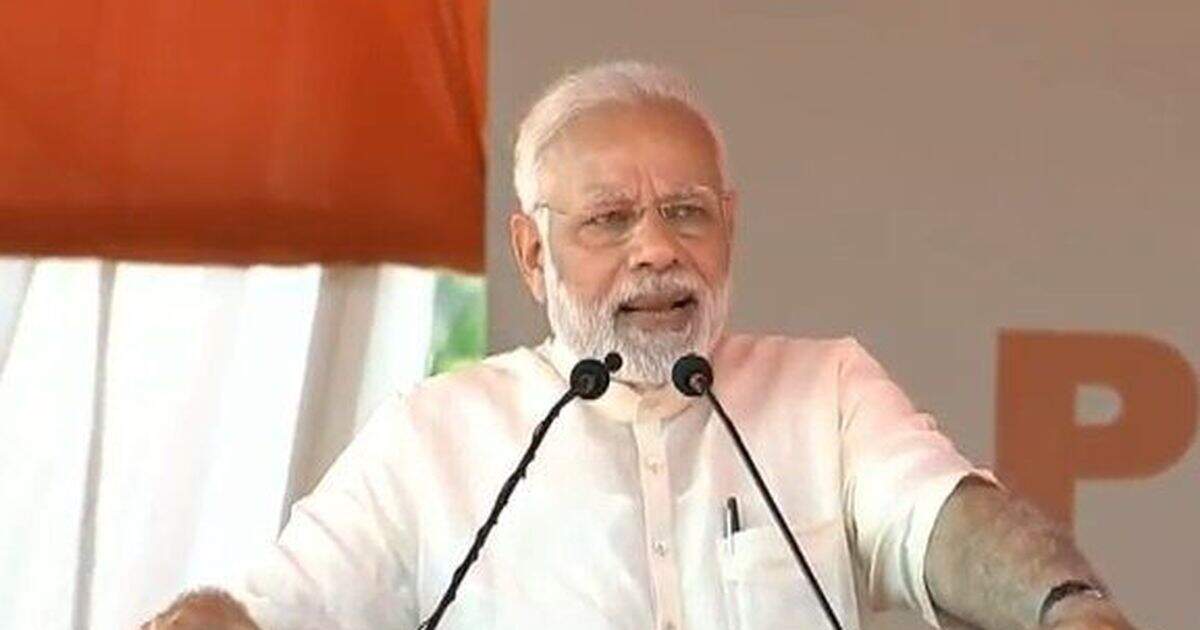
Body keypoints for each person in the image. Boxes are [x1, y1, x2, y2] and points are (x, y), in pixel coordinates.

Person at [143, 61, 1134, 630]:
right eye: (609, 219)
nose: (657, 248)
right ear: (533, 254)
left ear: (730, 228)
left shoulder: (825, 389)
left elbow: (942, 521)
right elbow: (281, 607)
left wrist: (1068, 609)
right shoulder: (436, 434)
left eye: (686, 212)